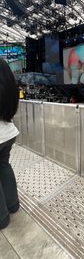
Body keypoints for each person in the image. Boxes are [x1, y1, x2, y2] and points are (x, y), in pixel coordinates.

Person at [0, 59, 20, 229]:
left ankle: (2, 218)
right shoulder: (9, 87)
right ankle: (13, 205)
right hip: (8, 133)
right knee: (4, 166)